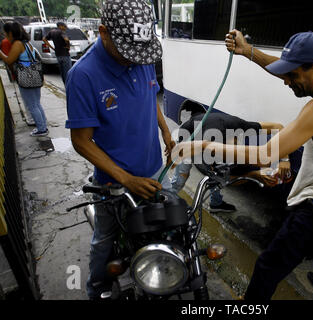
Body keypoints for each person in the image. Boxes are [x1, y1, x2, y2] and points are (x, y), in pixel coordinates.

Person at [173, 29, 313, 300]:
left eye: (292, 76)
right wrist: (248, 51)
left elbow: (265, 155)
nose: (287, 82)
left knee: (267, 267)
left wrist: (202, 145)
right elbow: (289, 72)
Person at [65, 0, 173, 300]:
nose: (135, 60)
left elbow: (151, 96)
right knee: (104, 240)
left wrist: (166, 132)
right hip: (113, 184)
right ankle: (97, 289)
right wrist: (126, 179)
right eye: (128, 54)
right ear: (103, 32)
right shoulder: (83, 76)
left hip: (153, 170)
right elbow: (81, 141)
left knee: (161, 230)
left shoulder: (141, 57)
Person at [171, 100, 292, 212]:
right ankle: (168, 199)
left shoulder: (239, 125)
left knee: (216, 173)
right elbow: (225, 180)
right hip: (186, 137)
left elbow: (278, 127)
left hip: (209, 127)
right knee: (183, 176)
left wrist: (285, 159)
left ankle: (215, 204)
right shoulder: (211, 153)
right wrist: (254, 175)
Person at [0, 22, 48, 137]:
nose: (5, 35)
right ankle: (43, 125)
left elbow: (9, 60)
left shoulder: (17, 44)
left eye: (6, 33)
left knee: (32, 105)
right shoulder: (26, 43)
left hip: (26, 77)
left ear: (11, 33)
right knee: (36, 103)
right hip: (35, 76)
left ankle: (41, 129)